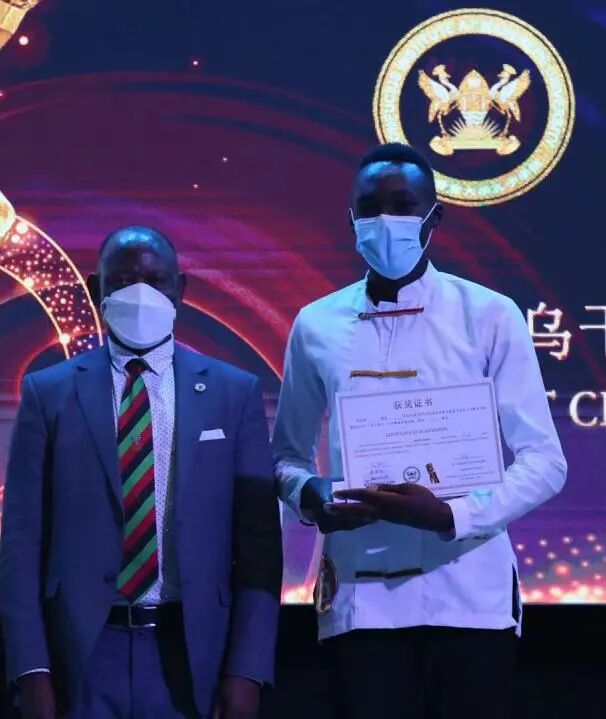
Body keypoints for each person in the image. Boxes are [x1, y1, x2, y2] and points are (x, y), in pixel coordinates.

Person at [272, 143, 567, 719]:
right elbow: (286, 456)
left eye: (403, 205)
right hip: (361, 599)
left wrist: (453, 515)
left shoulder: (489, 313)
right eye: (371, 207)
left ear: (434, 217)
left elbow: (545, 462)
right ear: (351, 219)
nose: (386, 220)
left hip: (469, 596)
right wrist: (311, 495)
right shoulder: (316, 324)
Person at [0, 226, 283, 719]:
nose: (140, 294)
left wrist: (248, 668)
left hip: (192, 651)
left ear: (180, 289)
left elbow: (259, 544)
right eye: (123, 280)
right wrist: (30, 669)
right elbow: (21, 543)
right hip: (81, 654)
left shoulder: (233, 393)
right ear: (97, 288)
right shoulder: (49, 393)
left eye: (155, 281)